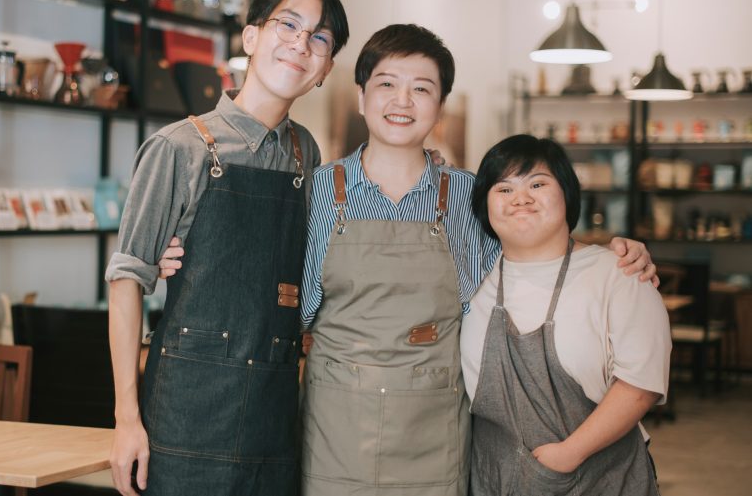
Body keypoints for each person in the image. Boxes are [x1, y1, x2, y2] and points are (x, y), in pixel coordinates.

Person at [157, 25, 657, 495]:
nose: (402, 101)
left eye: (421, 89)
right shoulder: (314, 192)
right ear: (361, 96)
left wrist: (618, 254)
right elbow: (264, 285)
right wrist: (184, 256)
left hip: (435, 432)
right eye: (387, 84)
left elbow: (534, 256)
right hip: (336, 429)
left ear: (440, 105)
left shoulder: (470, 198)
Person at [105, 0, 348, 496]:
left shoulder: (307, 153)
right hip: (187, 410)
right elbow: (127, 279)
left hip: (274, 412)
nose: (301, 44)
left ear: (325, 69)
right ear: (252, 37)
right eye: (289, 24)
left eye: (320, 38)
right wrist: (127, 420)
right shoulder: (179, 148)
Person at [462, 134, 670, 495]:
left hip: (601, 478)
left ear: (567, 194)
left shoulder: (620, 273)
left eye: (537, 183)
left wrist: (568, 454)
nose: (521, 199)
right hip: (494, 478)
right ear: (484, 206)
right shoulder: (471, 277)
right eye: (503, 189)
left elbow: (641, 384)